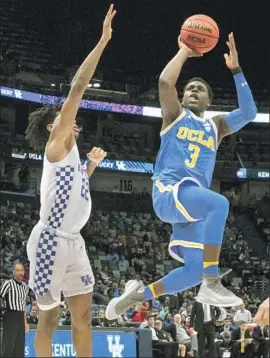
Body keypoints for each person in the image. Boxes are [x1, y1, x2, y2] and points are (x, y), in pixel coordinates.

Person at [106, 32, 257, 320]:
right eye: (189, 88)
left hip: (190, 208)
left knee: (194, 271)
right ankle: (213, 282)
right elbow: (165, 82)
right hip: (170, 192)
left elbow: (249, 112)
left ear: (209, 100)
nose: (193, 90)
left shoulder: (216, 126)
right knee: (220, 204)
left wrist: (236, 69)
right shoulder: (174, 115)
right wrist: (185, 52)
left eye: (200, 88)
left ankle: (138, 295)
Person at [25, 5, 116, 357]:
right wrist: (103, 40)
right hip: (49, 242)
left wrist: (90, 166)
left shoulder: (72, 154)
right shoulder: (57, 142)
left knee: (83, 316)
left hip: (74, 243)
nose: (75, 122)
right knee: (49, 320)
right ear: (54, 125)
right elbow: (78, 86)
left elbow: (75, 188)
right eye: (66, 119)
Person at [0, 263, 29, 357]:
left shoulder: (25, 287)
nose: (20, 272)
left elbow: (23, 304)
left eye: (22, 270)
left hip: (20, 317)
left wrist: (25, 322)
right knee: (8, 346)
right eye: (17, 270)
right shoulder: (8, 284)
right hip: (10, 317)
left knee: (19, 348)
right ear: (13, 272)